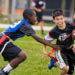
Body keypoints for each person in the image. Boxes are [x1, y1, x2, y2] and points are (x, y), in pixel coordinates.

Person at [0, 8, 61, 75]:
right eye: (34, 16)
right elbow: (37, 38)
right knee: (22, 56)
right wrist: (52, 45)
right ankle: (3, 72)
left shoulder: (24, 23)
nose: (36, 18)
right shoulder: (25, 25)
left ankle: (4, 71)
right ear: (29, 17)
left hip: (4, 39)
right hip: (3, 40)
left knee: (14, 62)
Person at [42, 9, 75, 75]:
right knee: (65, 68)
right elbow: (45, 41)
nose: (60, 21)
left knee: (69, 72)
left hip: (70, 48)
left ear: (64, 18)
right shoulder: (54, 31)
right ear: (54, 20)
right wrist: (44, 51)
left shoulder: (71, 26)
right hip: (60, 50)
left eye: (61, 19)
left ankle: (53, 61)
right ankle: (55, 61)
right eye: (57, 19)